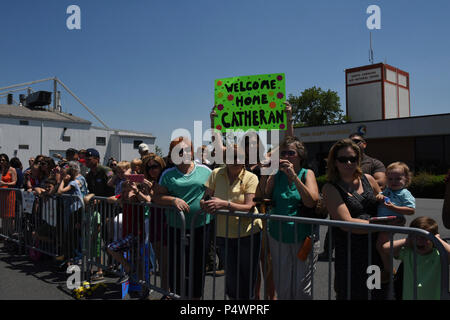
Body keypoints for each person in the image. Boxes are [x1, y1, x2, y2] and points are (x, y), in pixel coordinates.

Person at [322, 138, 386, 300]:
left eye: (353, 159)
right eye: (343, 159)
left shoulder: (369, 179)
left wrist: (396, 216)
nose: (349, 163)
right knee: (350, 294)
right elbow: (346, 223)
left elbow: (384, 206)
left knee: (376, 292)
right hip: (350, 253)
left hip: (374, 251)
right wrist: (385, 225)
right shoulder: (330, 188)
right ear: (334, 162)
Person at [153, 137, 212, 299]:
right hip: (175, 228)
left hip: (201, 227)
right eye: (179, 151)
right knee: (176, 267)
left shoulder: (206, 171)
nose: (184, 153)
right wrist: (173, 200)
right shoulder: (167, 174)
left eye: (187, 150)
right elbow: (157, 197)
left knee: (198, 266)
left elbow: (213, 193)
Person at [201, 144, 262, 300]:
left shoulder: (251, 177)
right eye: (231, 156)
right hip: (224, 234)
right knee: (232, 280)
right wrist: (206, 205)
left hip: (248, 234)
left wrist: (223, 204)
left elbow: (249, 207)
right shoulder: (215, 174)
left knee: (248, 278)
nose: (235, 160)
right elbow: (205, 199)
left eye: (239, 157)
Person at [263, 136, 320, 300]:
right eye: (283, 153)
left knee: (302, 288)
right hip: (278, 236)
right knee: (283, 287)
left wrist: (294, 176)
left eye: (291, 153)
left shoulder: (307, 173)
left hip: (303, 237)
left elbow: (311, 201)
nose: (286, 156)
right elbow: (265, 194)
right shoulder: (276, 176)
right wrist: (268, 172)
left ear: (300, 156)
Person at [382, 216, 450, 300]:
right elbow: (386, 248)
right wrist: (408, 240)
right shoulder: (408, 253)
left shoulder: (439, 255)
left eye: (424, 238)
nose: (420, 241)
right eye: (416, 237)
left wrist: (437, 240)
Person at [375, 162, 415, 282]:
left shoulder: (404, 193)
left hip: (392, 222)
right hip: (383, 222)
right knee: (381, 246)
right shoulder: (387, 190)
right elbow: (380, 195)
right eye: (390, 178)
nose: (394, 181)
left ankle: (389, 270)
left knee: (381, 246)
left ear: (406, 179)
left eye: (398, 178)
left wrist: (394, 208)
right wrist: (379, 196)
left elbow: (411, 210)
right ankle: (392, 263)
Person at [141, 154, 169, 295]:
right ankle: (166, 291)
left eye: (155, 166)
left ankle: (167, 292)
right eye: (149, 167)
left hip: (166, 221)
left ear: (161, 166)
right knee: (159, 260)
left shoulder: (166, 180)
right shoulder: (150, 182)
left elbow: (160, 198)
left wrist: (151, 189)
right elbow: (149, 200)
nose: (152, 170)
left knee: (165, 262)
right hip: (154, 220)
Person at [0, 154, 18, 238]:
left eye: (3, 160)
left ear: (7, 161)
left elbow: (14, 182)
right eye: (0, 160)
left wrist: (5, 183)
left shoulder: (12, 169)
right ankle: (4, 235)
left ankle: (11, 236)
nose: (1, 161)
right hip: (2, 195)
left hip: (10, 194)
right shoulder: (0, 170)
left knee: (9, 217)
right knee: (3, 217)